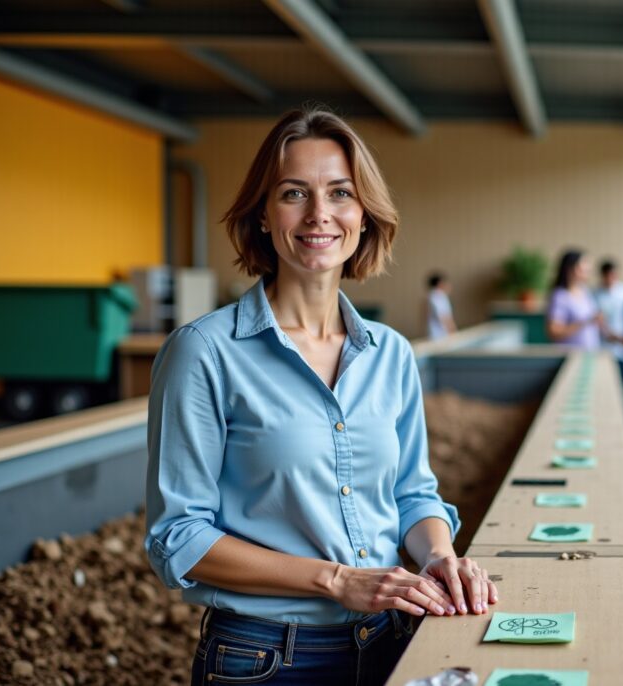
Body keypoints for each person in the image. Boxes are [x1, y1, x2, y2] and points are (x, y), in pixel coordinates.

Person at [144, 108, 497, 686]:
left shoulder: (390, 353)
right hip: (264, 660)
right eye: (293, 194)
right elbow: (178, 537)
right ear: (263, 212)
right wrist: (336, 580)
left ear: (363, 214)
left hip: (391, 641)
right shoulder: (203, 352)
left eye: (340, 193)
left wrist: (439, 557)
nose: (319, 215)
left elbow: (412, 492)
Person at [546, 249, 602, 349]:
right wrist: (586, 322)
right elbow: (554, 331)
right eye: (583, 266)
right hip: (570, 356)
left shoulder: (585, 292)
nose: (587, 270)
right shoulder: (560, 296)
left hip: (589, 353)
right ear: (570, 269)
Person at [593, 259, 623, 379]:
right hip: (602, 347)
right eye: (608, 275)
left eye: (614, 275)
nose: (611, 278)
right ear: (602, 276)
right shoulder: (595, 294)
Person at [426, 272, 456, 341]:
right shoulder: (438, 296)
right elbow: (443, 316)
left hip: (434, 333)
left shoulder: (430, 296)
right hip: (440, 334)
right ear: (440, 283)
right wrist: (452, 331)